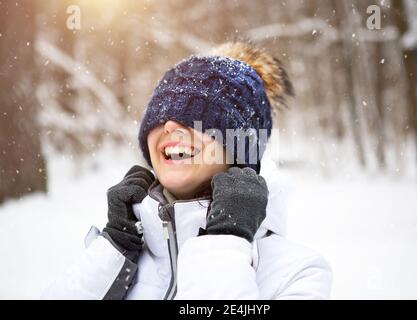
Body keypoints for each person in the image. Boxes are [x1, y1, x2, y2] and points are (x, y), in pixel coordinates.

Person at [42, 41, 332, 300]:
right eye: (161, 116)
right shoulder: (121, 255)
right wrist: (112, 252)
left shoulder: (299, 274)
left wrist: (223, 243)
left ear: (242, 146)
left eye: (196, 117)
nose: (169, 126)